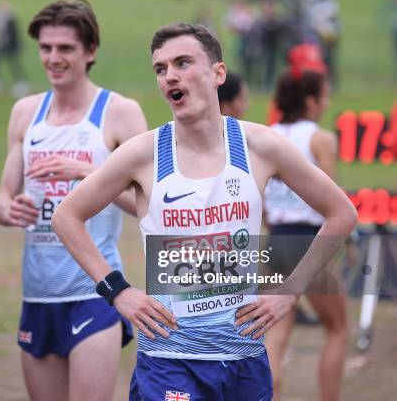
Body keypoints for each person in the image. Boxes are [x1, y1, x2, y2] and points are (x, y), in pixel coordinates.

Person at [52, 23, 357, 400]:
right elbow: (66, 216)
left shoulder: (259, 145)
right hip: (170, 358)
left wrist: (289, 293)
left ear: (218, 73)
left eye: (183, 62)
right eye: (161, 69)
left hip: (243, 356)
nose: (170, 76)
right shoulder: (142, 153)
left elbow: (342, 213)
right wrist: (119, 292)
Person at [0, 0, 147, 401]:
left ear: (90, 51)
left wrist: (89, 176)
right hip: (38, 294)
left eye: (65, 49)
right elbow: (1, 202)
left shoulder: (119, 113)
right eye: (46, 48)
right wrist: (10, 210)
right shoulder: (26, 113)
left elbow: (150, 206)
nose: (53, 58)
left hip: (94, 291)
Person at [263, 68, 347, 401]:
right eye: (324, 95)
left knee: (275, 335)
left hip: (275, 241)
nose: (326, 102)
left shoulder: (267, 134)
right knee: (338, 329)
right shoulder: (321, 138)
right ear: (311, 101)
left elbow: (265, 206)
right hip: (309, 241)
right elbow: (332, 200)